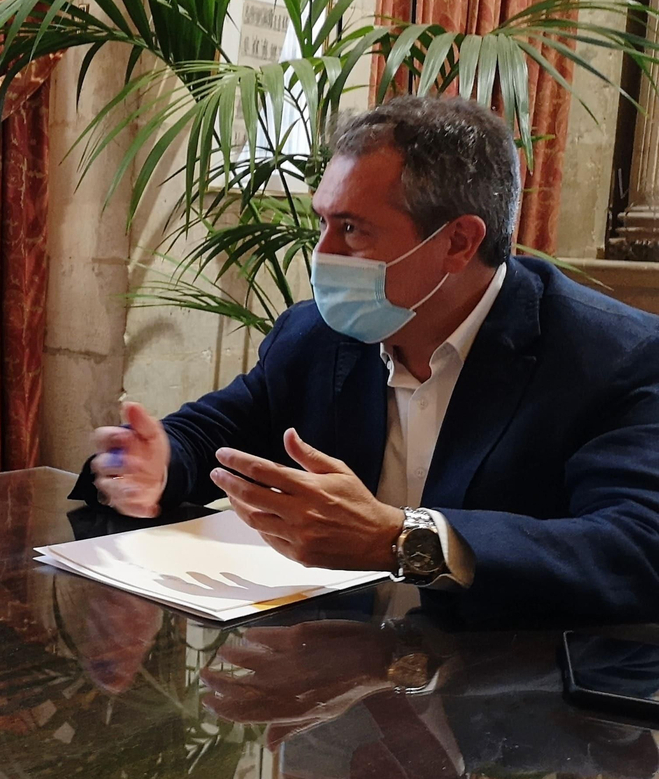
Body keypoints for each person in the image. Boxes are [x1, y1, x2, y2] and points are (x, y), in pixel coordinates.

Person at [75, 95, 659, 623]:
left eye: (351, 229)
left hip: (507, 712)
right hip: (335, 685)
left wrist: (403, 539)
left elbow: (634, 548)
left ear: (457, 242)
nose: (321, 255)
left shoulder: (613, 357)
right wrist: (160, 461)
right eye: (322, 222)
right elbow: (223, 429)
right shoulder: (318, 334)